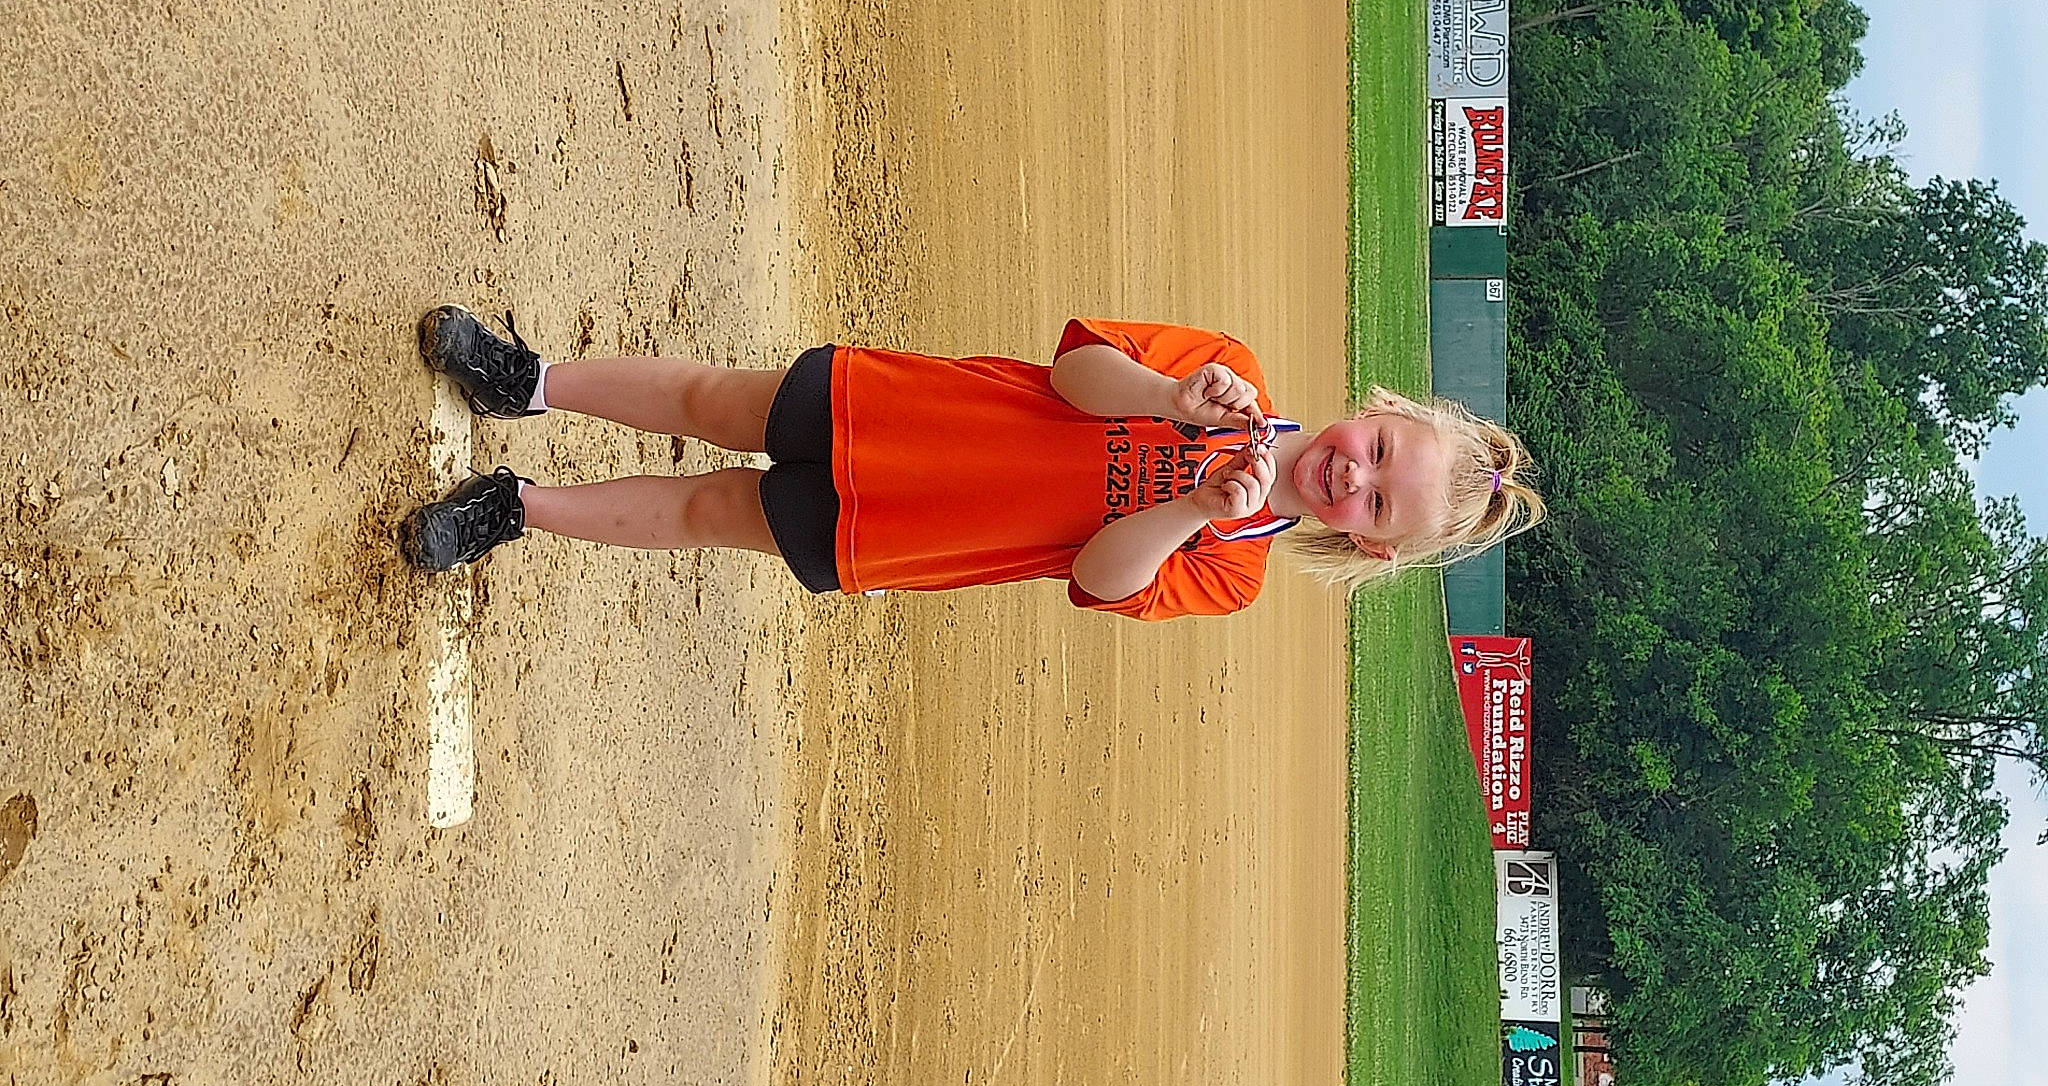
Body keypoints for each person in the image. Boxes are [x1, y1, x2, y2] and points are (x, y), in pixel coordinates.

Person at [399, 307, 1543, 620]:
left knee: (710, 511)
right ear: (1373, 411)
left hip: (918, 535)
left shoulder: (1231, 568)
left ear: (1369, 540)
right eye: (1380, 449)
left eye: (1380, 499)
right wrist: (1167, 399)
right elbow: (1074, 375)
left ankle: (518, 507)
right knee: (713, 402)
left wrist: (1194, 505)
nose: (1357, 473)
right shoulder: (1228, 372)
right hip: (908, 411)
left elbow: (1101, 576)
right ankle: (528, 380)